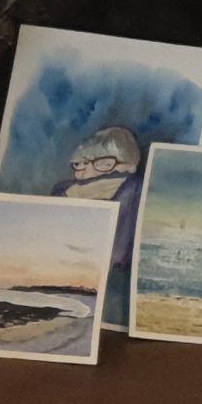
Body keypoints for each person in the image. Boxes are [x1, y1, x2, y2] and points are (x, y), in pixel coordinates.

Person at [50, 126, 144, 322]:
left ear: (130, 166)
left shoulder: (134, 191)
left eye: (104, 163)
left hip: (111, 292)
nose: (88, 172)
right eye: (81, 164)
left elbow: (117, 255)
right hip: (64, 285)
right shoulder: (64, 192)